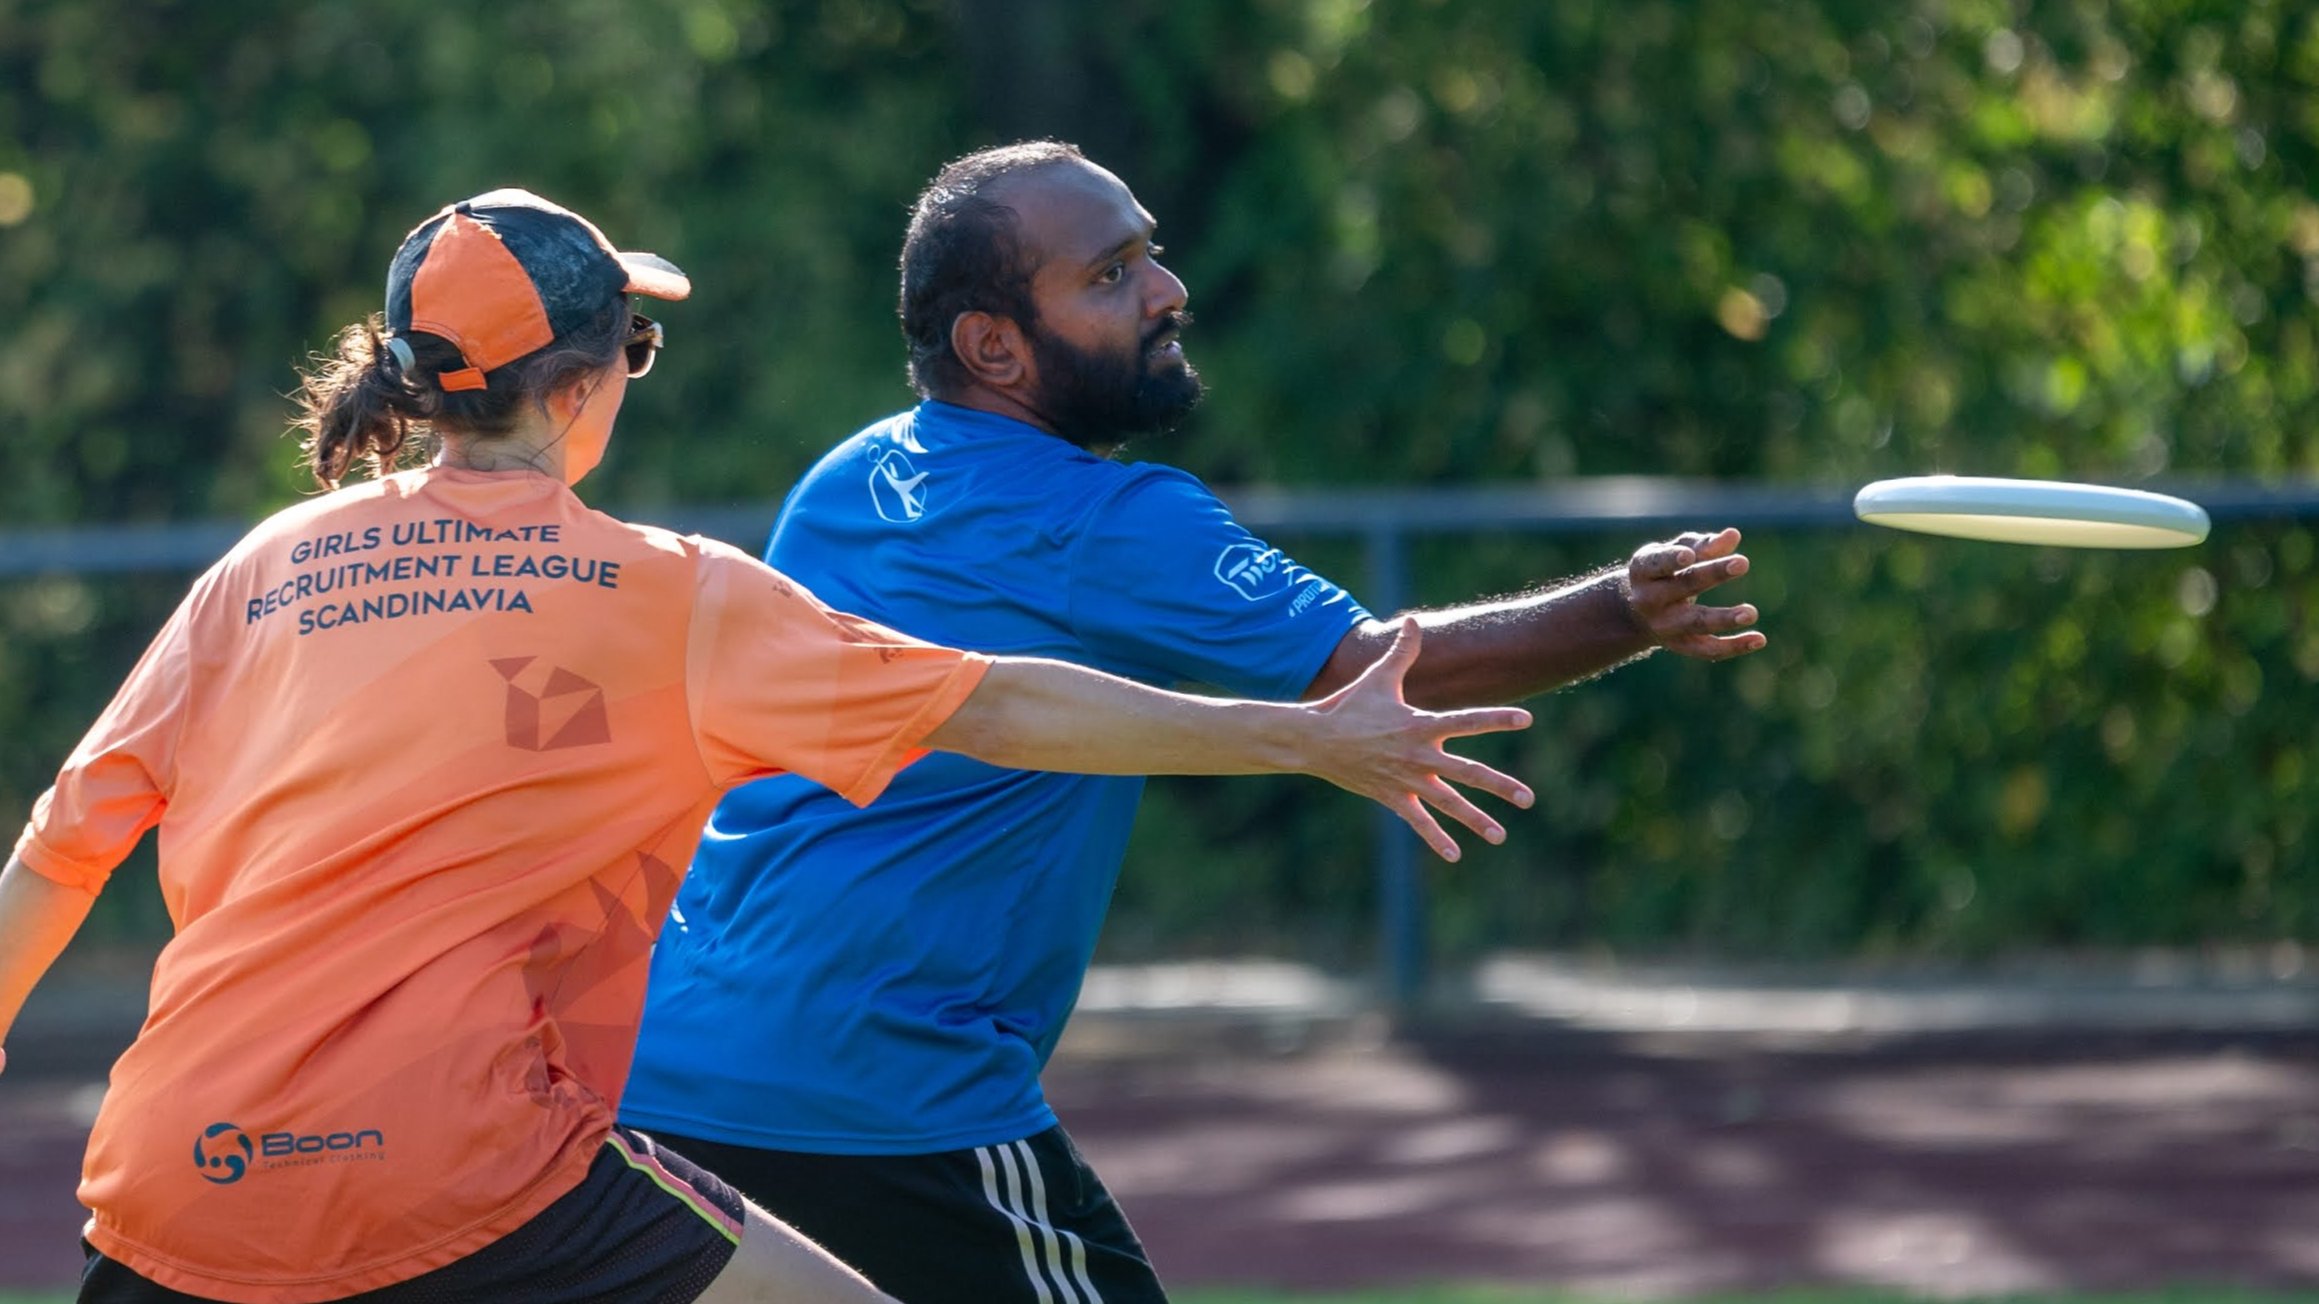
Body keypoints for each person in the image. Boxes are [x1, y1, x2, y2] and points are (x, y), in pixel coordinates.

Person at [0, 187, 1534, 1304]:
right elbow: (994, 700)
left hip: (168, 1181)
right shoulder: (667, 597)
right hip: (461, 1169)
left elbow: (65, 844)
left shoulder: (262, 567)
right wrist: (1304, 736)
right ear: (595, 380)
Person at [619, 141, 1769, 1303]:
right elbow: (1376, 671)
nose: (1166, 291)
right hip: (881, 1090)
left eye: (1149, 254)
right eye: (1111, 274)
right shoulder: (1105, 519)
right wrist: (1625, 607)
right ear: (994, 346)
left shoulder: (847, 479)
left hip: (670, 1069)